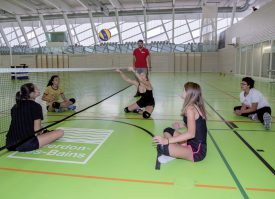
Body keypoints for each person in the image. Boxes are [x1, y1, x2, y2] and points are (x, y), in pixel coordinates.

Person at [153, 82, 207, 163]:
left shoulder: (190, 109)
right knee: (167, 130)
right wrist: (182, 125)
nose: (182, 91)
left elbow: (191, 134)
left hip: (196, 150)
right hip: (189, 141)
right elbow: (198, 125)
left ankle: (176, 152)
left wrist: (167, 141)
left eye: (183, 90)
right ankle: (178, 150)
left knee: (162, 147)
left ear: (188, 94)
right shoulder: (193, 105)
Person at [6, 83, 64, 152]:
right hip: (26, 144)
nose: (38, 90)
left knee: (41, 128)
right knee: (60, 132)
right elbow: (37, 131)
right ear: (31, 93)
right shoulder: (36, 106)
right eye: (36, 89)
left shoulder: (15, 106)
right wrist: (42, 131)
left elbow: (20, 123)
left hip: (10, 144)